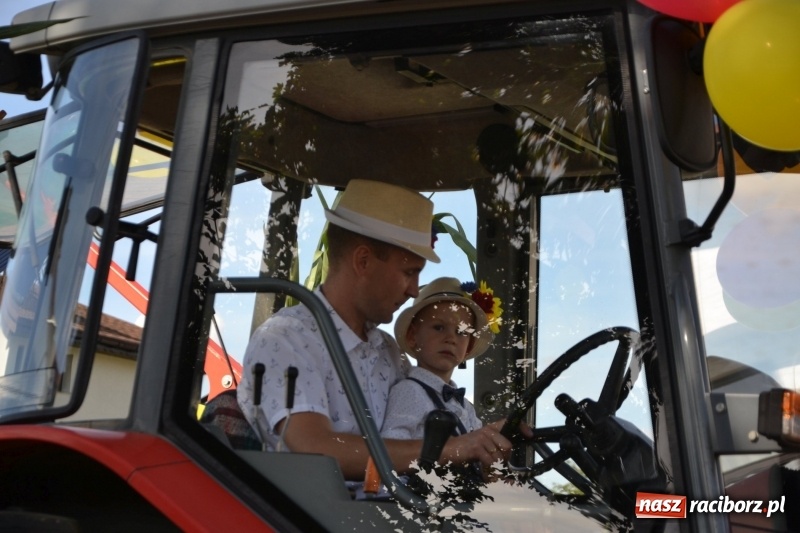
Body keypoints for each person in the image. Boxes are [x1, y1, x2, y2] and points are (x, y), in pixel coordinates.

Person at [237, 179, 516, 481]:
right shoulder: (286, 338)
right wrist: (453, 448)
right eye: (409, 273)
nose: (413, 290)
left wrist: (484, 445)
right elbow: (316, 448)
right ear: (363, 261)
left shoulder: (387, 350)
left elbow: (418, 429)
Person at [381, 277, 500, 442]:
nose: (451, 338)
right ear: (412, 336)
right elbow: (392, 447)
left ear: (469, 346)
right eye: (439, 327)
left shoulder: (466, 407)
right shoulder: (410, 391)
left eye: (461, 332)